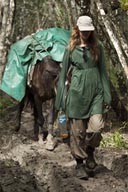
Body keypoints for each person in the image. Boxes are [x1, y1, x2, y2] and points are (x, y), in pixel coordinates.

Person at [55, 15, 112, 179]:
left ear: (91, 30)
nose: (86, 33)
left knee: (96, 128)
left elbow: (103, 72)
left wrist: (107, 96)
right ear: (77, 29)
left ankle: (90, 152)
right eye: (83, 30)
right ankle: (80, 164)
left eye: (88, 30)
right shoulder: (70, 48)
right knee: (77, 132)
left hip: (96, 93)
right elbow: (63, 74)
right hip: (77, 95)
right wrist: (60, 100)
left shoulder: (97, 46)